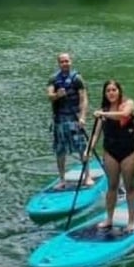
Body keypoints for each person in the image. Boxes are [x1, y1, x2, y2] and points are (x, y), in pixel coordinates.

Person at [94, 79, 134, 232]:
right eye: (108, 90)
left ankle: (131, 221)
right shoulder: (104, 110)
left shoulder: (129, 104)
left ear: (119, 91)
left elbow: (124, 115)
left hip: (130, 152)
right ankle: (109, 219)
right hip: (111, 152)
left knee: (129, 187)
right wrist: (88, 150)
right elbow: (96, 134)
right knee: (112, 186)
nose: (111, 93)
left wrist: (103, 113)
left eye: (114, 90)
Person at [46, 52, 89, 189]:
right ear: (58, 63)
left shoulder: (77, 78)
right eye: (62, 61)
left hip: (74, 119)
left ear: (71, 62)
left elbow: (83, 99)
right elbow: (49, 96)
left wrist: (82, 117)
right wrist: (57, 95)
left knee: (81, 148)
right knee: (60, 151)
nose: (65, 63)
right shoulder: (53, 78)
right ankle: (62, 180)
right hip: (59, 120)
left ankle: (87, 177)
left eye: (67, 61)